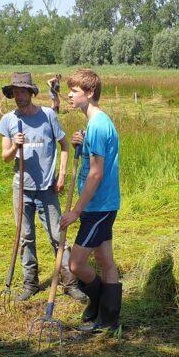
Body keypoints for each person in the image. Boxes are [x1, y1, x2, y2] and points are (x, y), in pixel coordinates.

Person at [0, 72, 84, 301]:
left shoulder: (47, 116)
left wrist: (62, 174)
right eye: (15, 92)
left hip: (47, 188)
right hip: (22, 188)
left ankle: (70, 283)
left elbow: (64, 145)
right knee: (25, 236)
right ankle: (30, 284)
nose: (18, 96)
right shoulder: (9, 120)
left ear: (31, 92)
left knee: (58, 236)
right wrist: (15, 147)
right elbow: (5, 157)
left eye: (22, 91)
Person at [60, 69, 122, 333]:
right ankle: (106, 318)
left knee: (76, 264)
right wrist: (82, 143)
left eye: (74, 91)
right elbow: (95, 155)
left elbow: (96, 173)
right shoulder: (97, 123)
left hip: (98, 207)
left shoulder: (97, 125)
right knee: (106, 261)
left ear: (90, 93)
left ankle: (99, 304)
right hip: (102, 204)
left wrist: (76, 211)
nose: (69, 96)